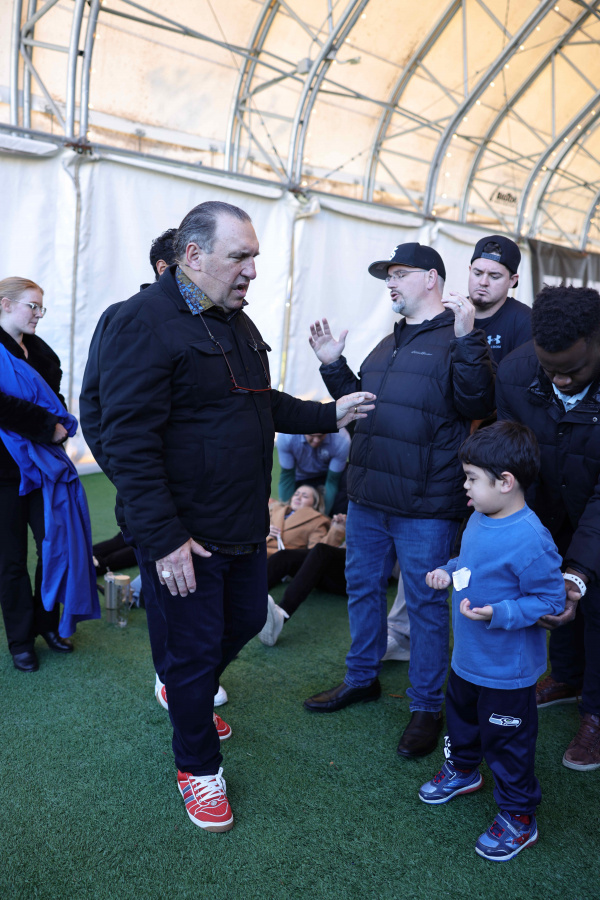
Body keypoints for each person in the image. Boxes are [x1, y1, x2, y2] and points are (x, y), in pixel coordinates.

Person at [86, 200, 373, 832]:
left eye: (254, 257)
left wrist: (329, 414)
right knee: (192, 654)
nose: (251, 270)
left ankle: (182, 690)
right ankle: (197, 767)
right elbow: (126, 441)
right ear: (192, 255)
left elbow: (260, 402)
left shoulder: (235, 320)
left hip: (242, 521)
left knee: (244, 618)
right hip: (183, 531)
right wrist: (164, 537)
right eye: (239, 256)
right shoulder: (141, 320)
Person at [303, 241, 495, 761]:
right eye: (387, 275)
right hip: (369, 496)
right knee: (361, 589)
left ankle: (427, 707)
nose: (390, 282)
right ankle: (361, 678)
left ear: (431, 278)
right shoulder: (387, 344)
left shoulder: (459, 337)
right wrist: (333, 366)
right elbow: (362, 407)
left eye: (399, 273)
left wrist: (469, 340)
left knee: (427, 607)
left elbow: (479, 401)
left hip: (425, 505)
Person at [419, 422, 565, 862]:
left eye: (471, 479)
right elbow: (470, 565)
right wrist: (448, 570)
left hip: (507, 672)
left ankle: (519, 815)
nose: (464, 486)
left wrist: (499, 613)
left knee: (508, 744)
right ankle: (463, 769)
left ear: (505, 482)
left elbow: (550, 600)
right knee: (461, 720)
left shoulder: (532, 539)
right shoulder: (479, 518)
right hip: (467, 659)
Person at [384, 233, 530, 663]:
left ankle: (490, 643)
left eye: (495, 276)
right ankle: (401, 633)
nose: (483, 282)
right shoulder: (444, 314)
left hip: (497, 462)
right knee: (429, 547)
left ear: (513, 280)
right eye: (477, 272)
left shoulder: (523, 323)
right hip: (444, 455)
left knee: (487, 550)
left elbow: (518, 396)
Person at [496, 284, 600, 771]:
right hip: (550, 506)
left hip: (595, 504)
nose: (559, 379)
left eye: (573, 370)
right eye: (549, 368)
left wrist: (579, 571)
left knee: (594, 603)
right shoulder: (516, 371)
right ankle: (567, 676)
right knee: (551, 591)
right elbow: (514, 459)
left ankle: (596, 713)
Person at [0, 277, 99, 671]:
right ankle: (20, 640)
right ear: (5, 304)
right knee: (10, 561)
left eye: (42, 307)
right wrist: (46, 425)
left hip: (44, 468)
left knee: (55, 546)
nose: (39, 314)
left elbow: (52, 399)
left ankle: (48, 624)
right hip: (4, 473)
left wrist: (58, 423)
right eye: (32, 306)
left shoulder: (42, 353)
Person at [259, 486, 346, 646]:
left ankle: (280, 612)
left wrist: (336, 530)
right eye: (296, 493)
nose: (298, 497)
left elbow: (316, 554)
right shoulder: (274, 508)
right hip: (258, 552)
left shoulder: (317, 520)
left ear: (315, 503)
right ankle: (245, 599)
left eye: (305, 496)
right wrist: (262, 531)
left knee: (285, 556)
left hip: (281, 559)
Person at [277, 431, 350, 514]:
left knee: (348, 476)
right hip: (301, 477)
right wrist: (285, 512)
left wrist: (322, 516)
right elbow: (287, 476)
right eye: (311, 435)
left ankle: (335, 516)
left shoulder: (341, 439)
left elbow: (332, 480)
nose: (316, 440)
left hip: (326, 476)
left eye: (321, 436)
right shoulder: (286, 437)